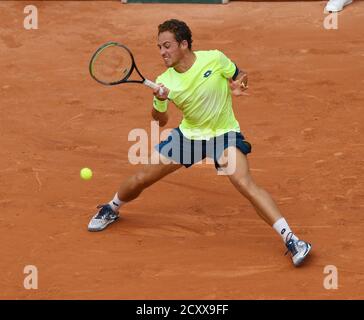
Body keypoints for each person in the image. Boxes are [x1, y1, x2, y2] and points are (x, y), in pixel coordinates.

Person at [87, 19, 312, 267]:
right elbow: (160, 121)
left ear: (184, 44)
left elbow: (241, 74)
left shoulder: (214, 59)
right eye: (159, 47)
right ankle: (112, 207)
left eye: (167, 46)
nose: (162, 52)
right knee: (142, 177)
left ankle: (291, 239)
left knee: (244, 182)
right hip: (189, 137)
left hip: (224, 134)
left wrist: (240, 86)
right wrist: (160, 100)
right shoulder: (166, 80)